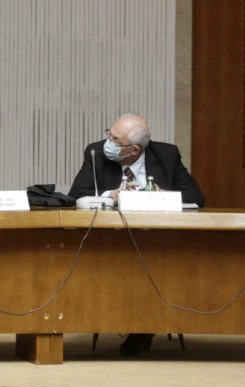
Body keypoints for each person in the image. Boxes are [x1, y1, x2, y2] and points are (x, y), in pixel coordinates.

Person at [68, 113, 205, 356]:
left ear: (134, 149)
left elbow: (196, 197)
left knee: (153, 261)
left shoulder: (167, 155)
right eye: (109, 134)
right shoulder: (96, 153)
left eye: (116, 140)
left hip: (157, 240)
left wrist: (162, 196)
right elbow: (75, 195)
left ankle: (142, 327)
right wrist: (111, 195)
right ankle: (129, 321)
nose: (108, 142)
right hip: (110, 239)